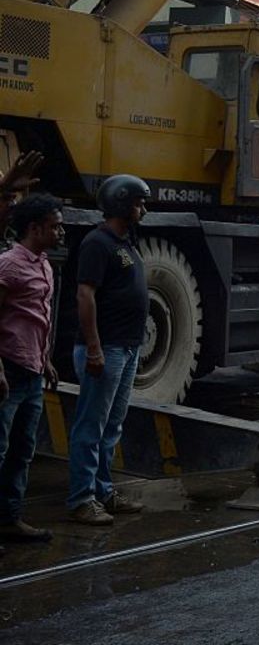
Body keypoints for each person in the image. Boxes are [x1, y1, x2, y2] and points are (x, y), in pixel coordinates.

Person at [67, 175, 151, 525]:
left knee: (112, 425)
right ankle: (81, 498)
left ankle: (102, 491)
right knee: (91, 424)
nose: (142, 209)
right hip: (108, 349)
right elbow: (85, 296)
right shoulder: (97, 244)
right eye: (137, 203)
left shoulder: (124, 242)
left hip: (127, 348)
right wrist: (95, 348)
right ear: (120, 203)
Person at [0, 194, 62, 542]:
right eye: (54, 226)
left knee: (23, 450)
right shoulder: (8, 265)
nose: (60, 231)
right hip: (8, 370)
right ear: (34, 228)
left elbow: (40, 319)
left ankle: (10, 518)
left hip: (34, 371)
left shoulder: (44, 264)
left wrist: (47, 360)